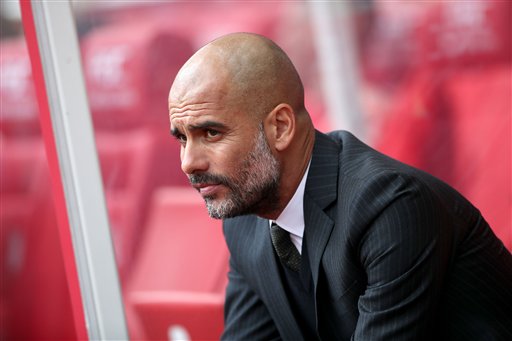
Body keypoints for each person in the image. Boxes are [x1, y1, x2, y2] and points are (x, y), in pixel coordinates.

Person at [167, 32, 512, 340]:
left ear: (281, 127)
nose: (188, 162)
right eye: (182, 138)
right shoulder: (243, 221)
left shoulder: (390, 207)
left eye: (211, 133)